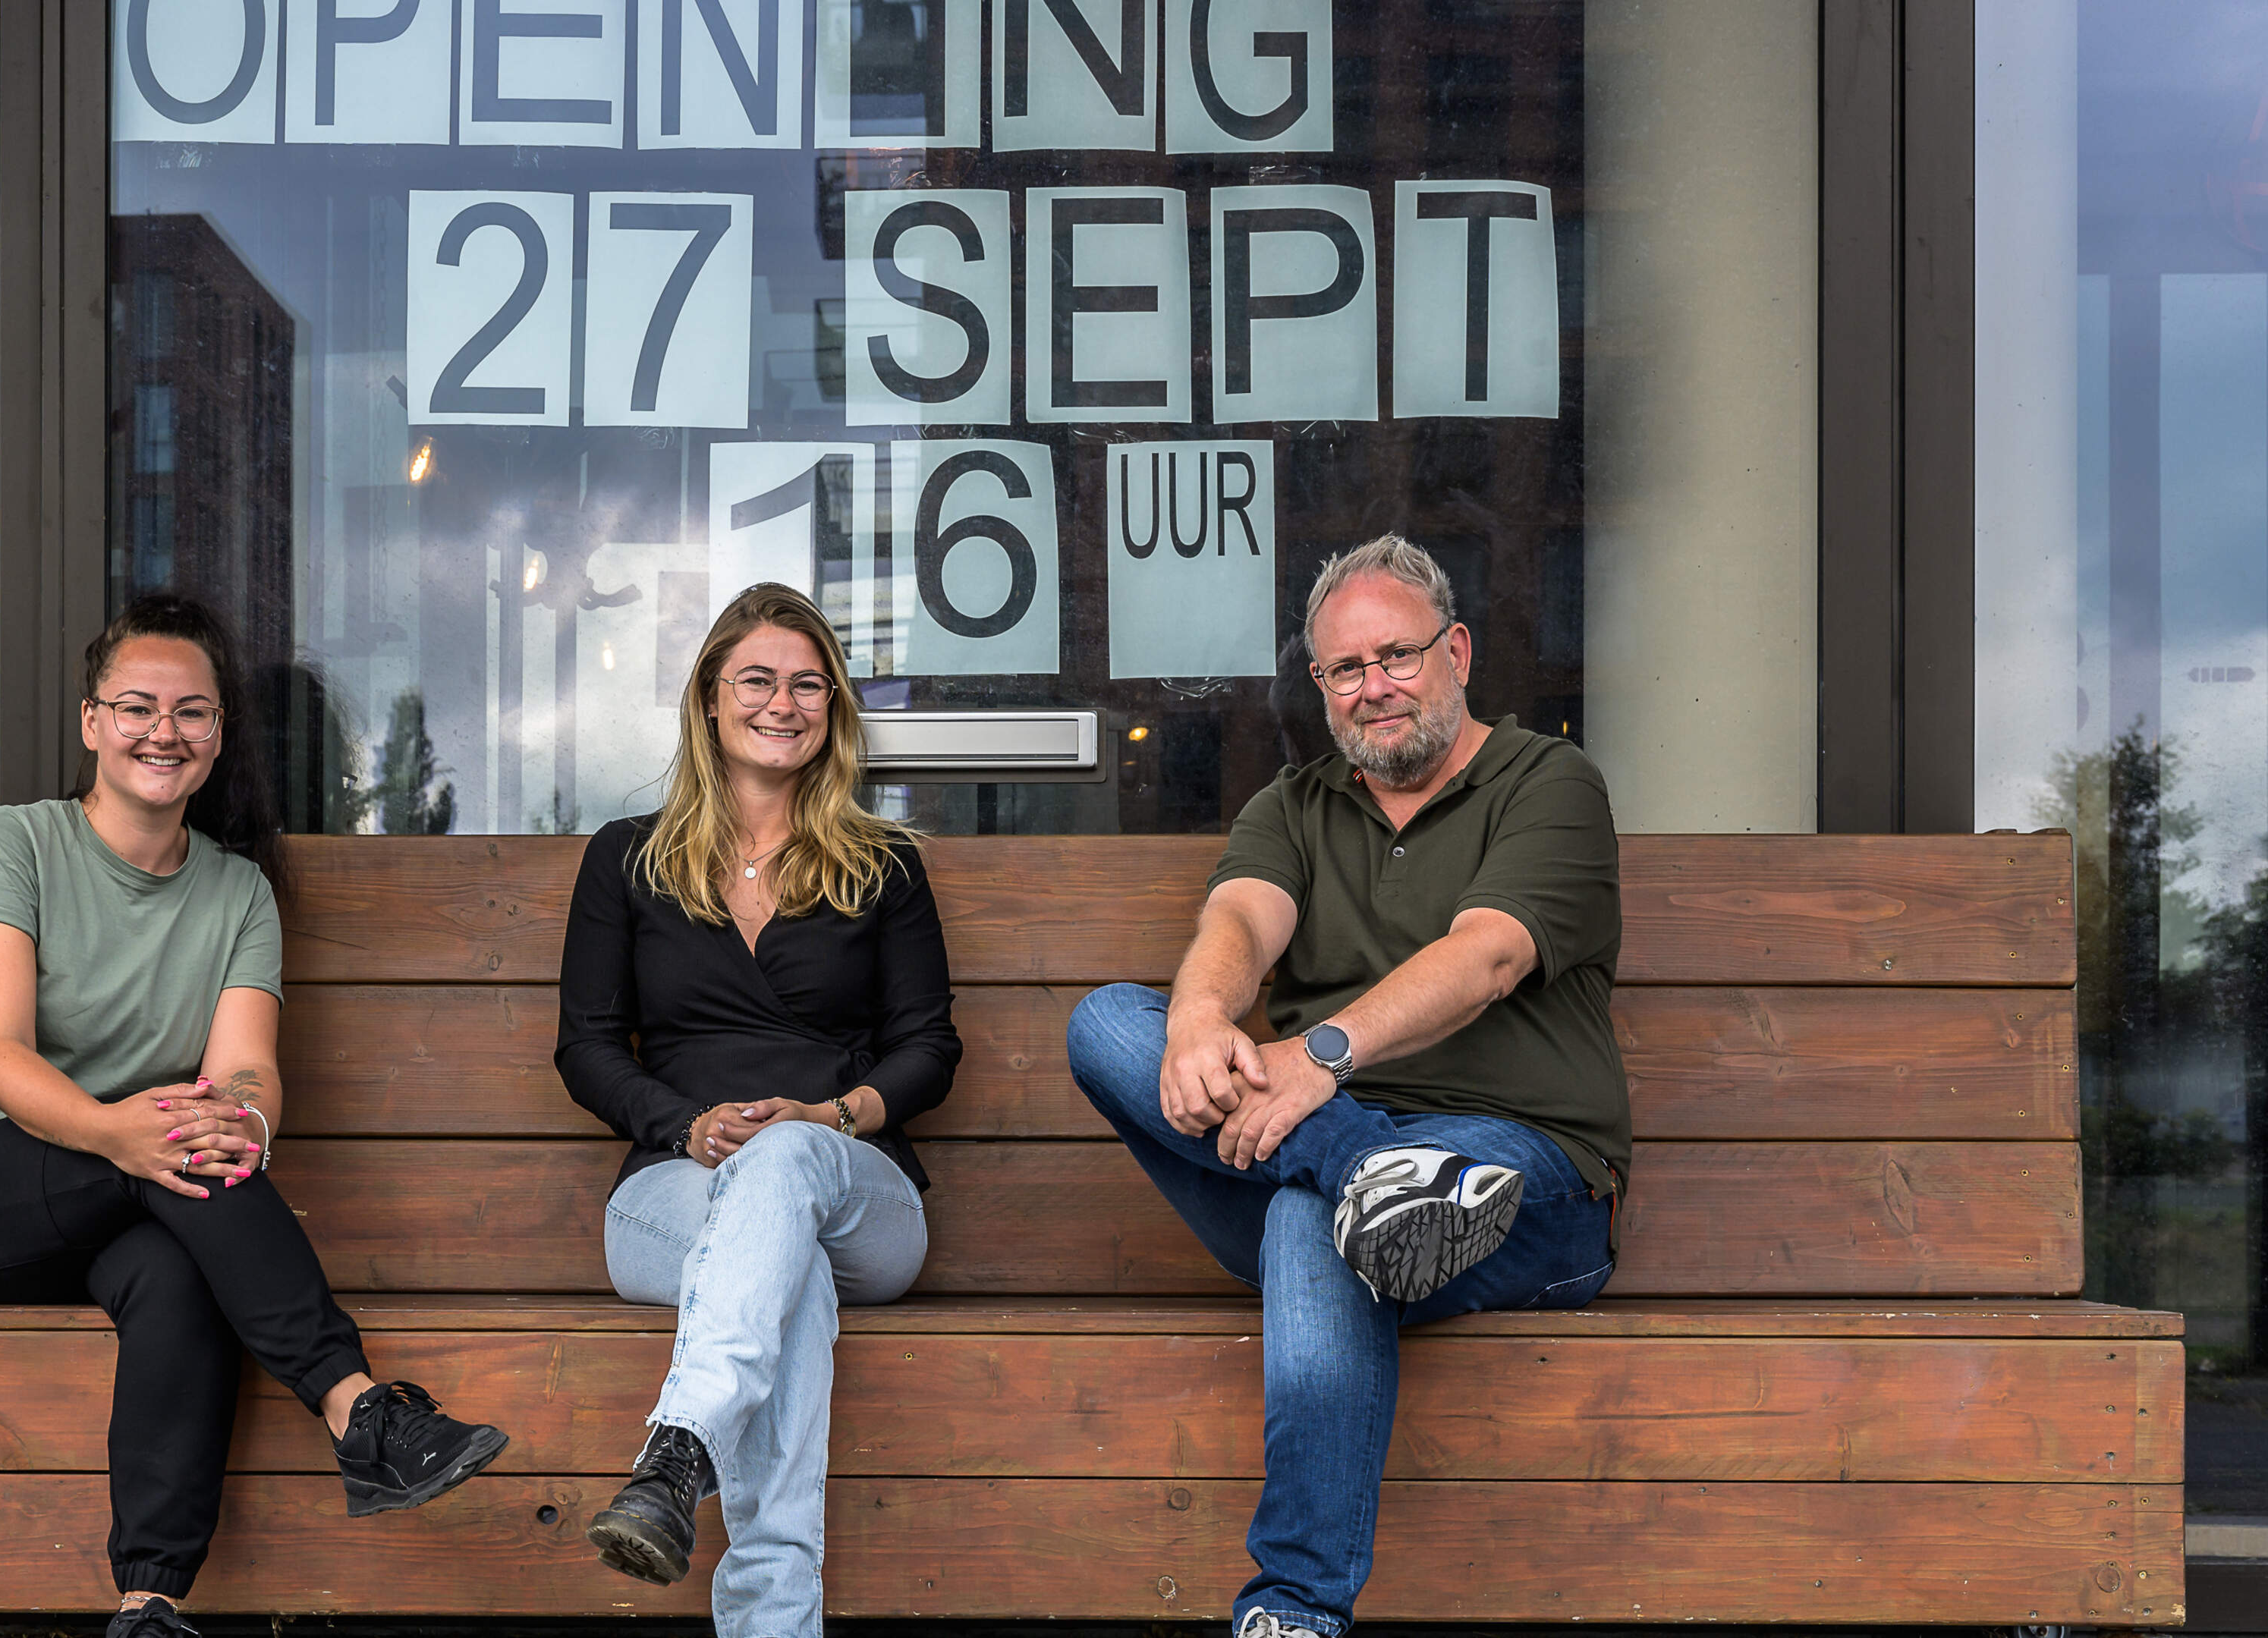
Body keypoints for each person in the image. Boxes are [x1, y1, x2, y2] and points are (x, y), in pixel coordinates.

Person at [0, 593, 508, 1638]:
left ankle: (150, 1600)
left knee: (177, 1269)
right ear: (94, 722)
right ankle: (356, 1406)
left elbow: (247, 1072)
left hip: (132, 1205)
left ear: (219, 736)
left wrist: (244, 1127)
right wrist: (123, 1133)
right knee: (176, 1140)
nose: (162, 732)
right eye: (136, 707)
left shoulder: (237, 894)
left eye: (191, 713)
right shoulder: (18, 843)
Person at [1066, 536, 1627, 1638]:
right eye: (1344, 670)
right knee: (1109, 1024)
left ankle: (1295, 1611)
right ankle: (1371, 1171)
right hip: (1322, 1134)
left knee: (1309, 1218)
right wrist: (1200, 1019)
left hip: (1523, 1179)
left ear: (1456, 652)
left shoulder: (1547, 782)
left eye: (1397, 656)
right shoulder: (1295, 805)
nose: (1374, 687)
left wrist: (1317, 1057)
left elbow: (1488, 956)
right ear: (1319, 686)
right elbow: (1241, 920)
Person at [556, 581, 961, 1636]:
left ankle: (678, 1449)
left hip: (858, 1192)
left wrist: (832, 1117)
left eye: (808, 685)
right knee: (791, 1279)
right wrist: (685, 1127)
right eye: (757, 681)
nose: (783, 704)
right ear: (709, 698)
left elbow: (930, 1049)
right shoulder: (627, 859)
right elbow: (586, 1049)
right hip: (672, 1195)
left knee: (784, 1163)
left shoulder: (883, 864)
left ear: (833, 709)